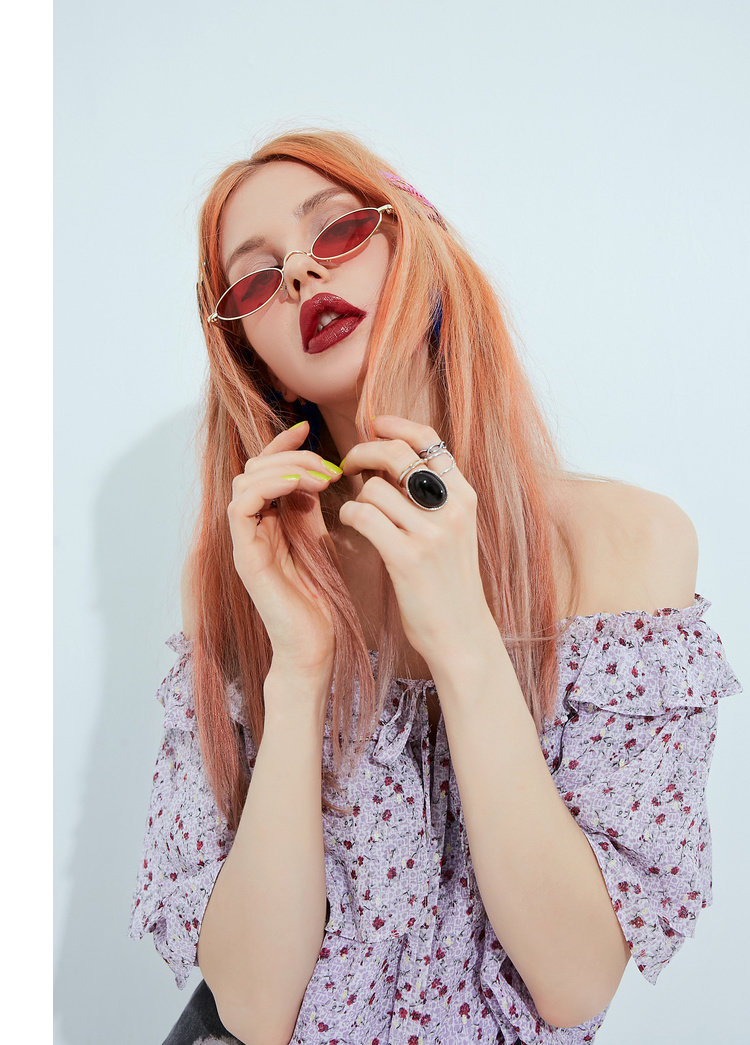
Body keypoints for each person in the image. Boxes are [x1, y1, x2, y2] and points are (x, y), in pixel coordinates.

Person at [128, 128, 743, 1045]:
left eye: (336, 230)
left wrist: (460, 632)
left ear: (420, 247)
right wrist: (300, 669)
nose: (299, 273)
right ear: (254, 358)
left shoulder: (626, 544)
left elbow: (575, 980)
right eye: (255, 279)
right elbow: (251, 1009)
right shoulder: (247, 568)